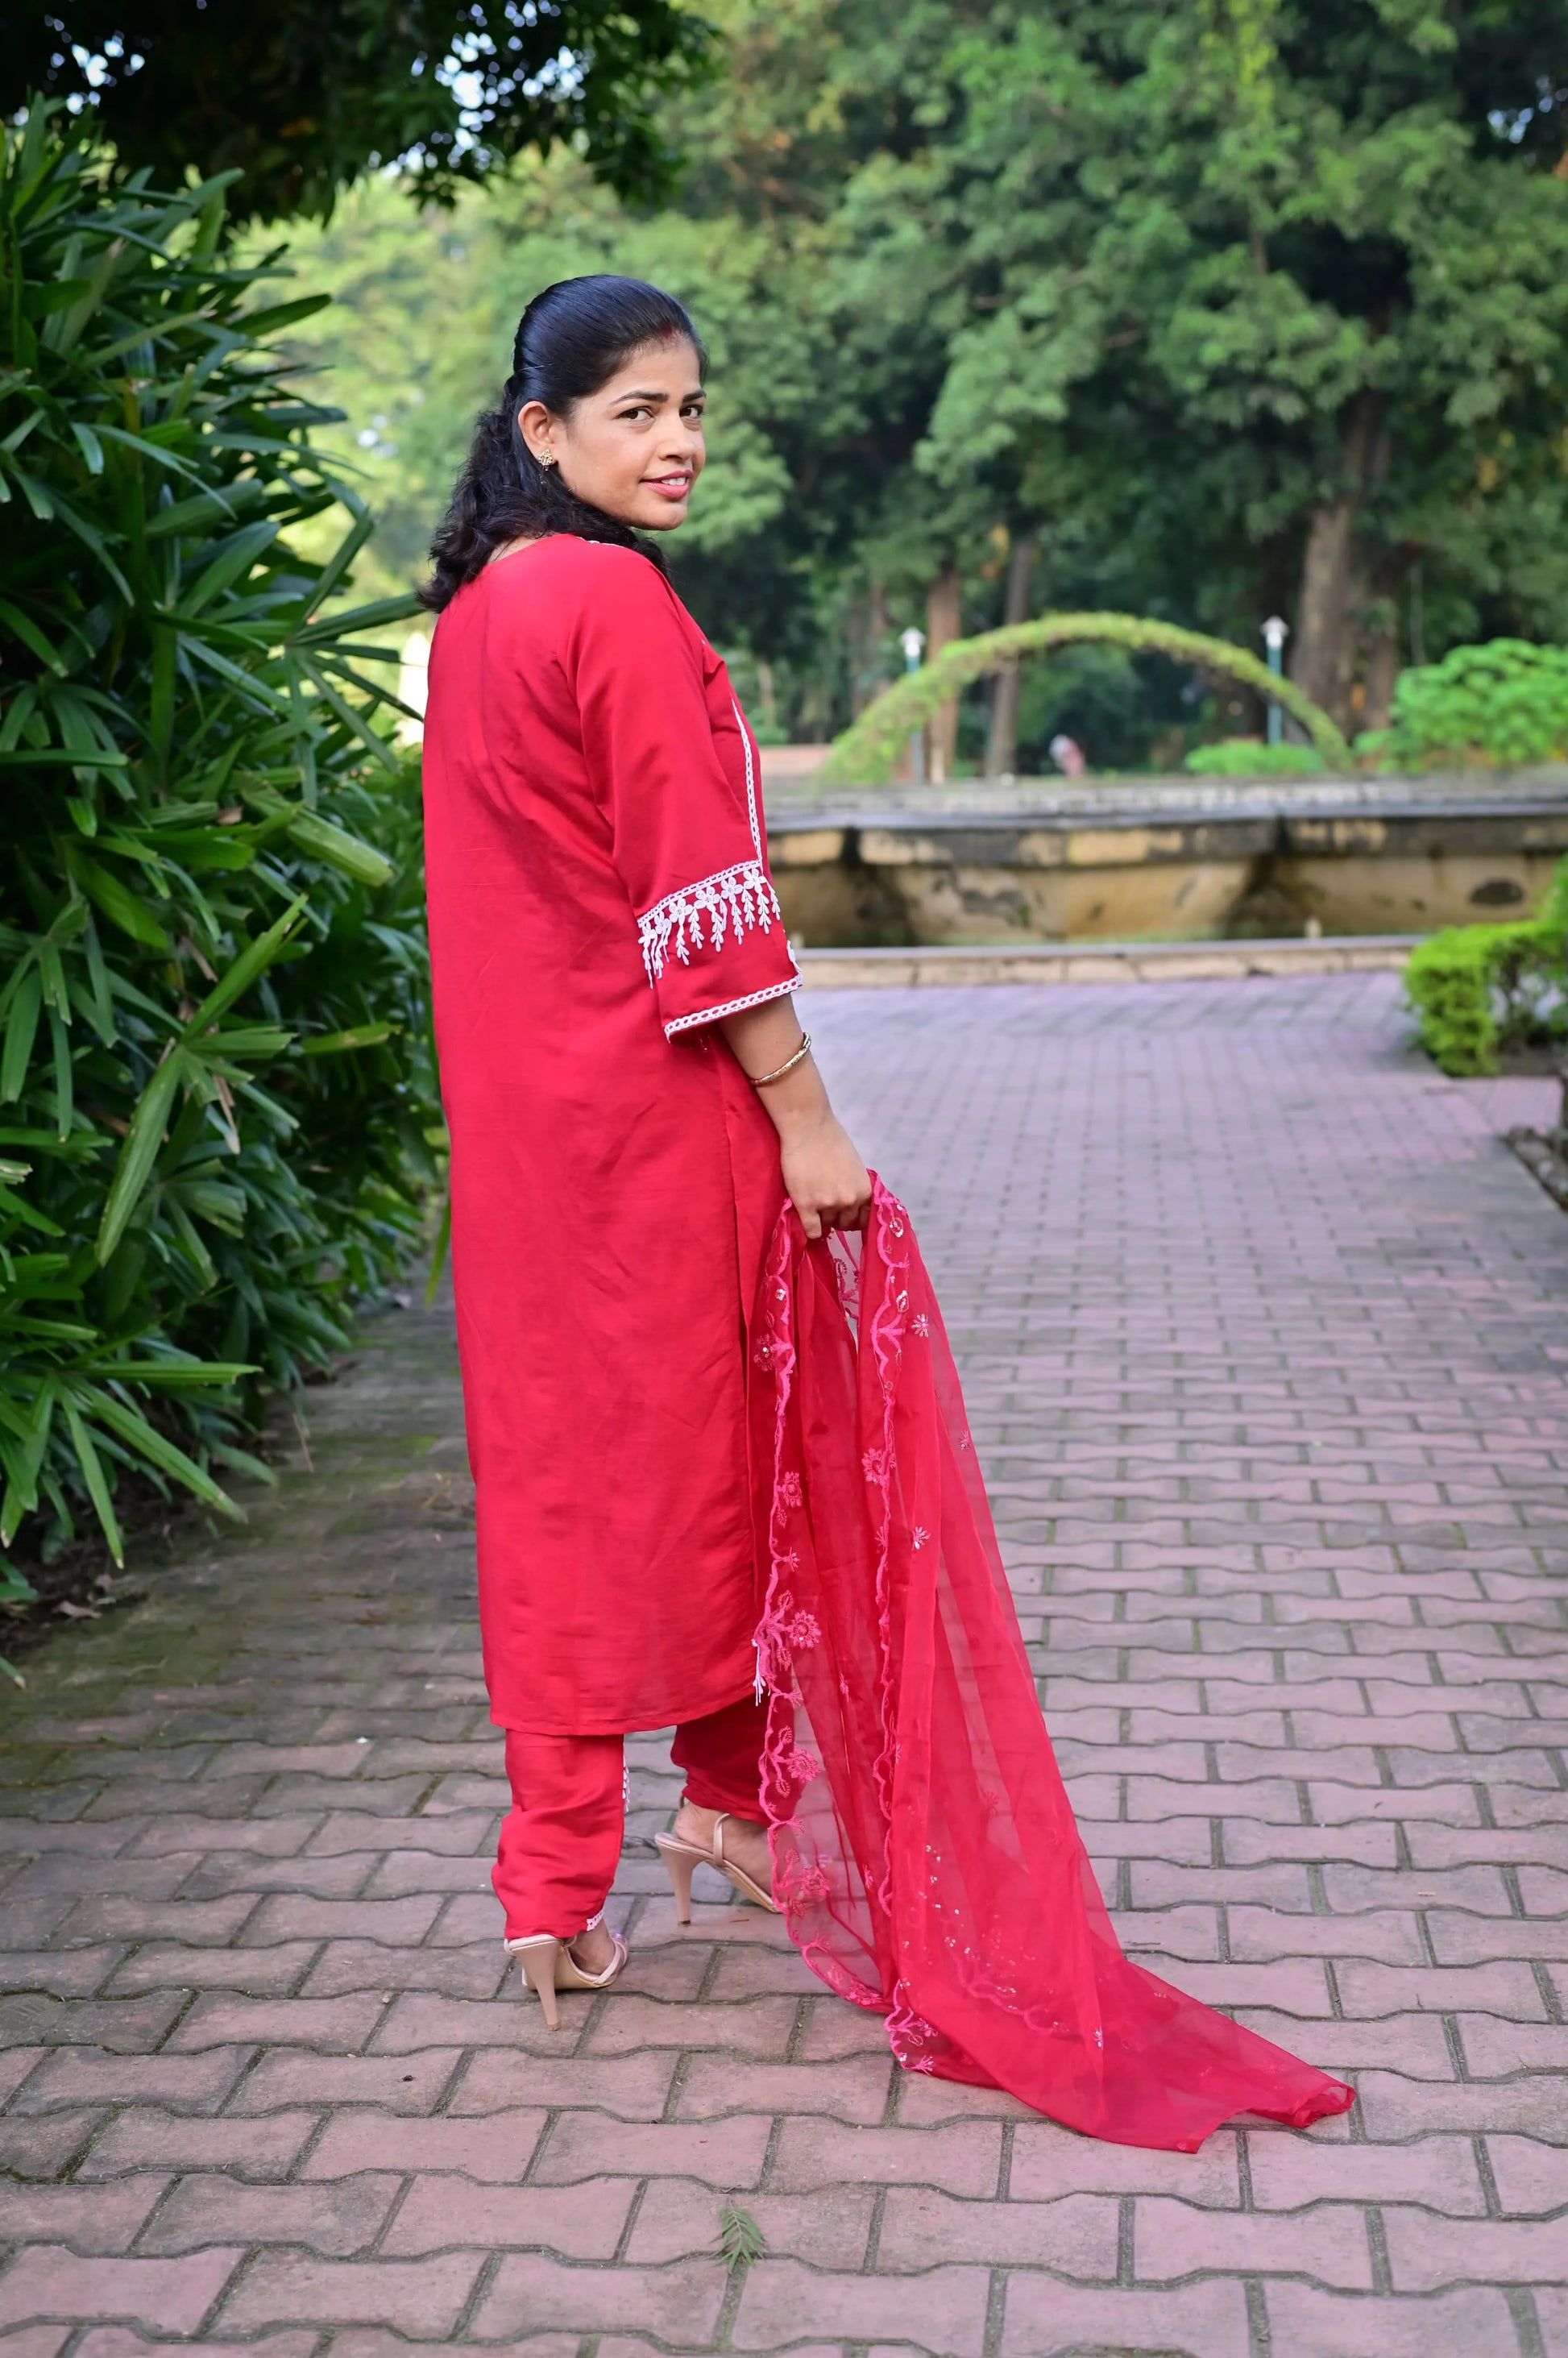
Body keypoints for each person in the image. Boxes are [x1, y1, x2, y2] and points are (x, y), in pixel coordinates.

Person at [419, 276, 872, 2021]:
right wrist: (809, 1117)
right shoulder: (611, 602)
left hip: (529, 1146)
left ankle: (552, 1889)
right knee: (729, 1456)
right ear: (544, 432)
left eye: (691, 409)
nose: (678, 442)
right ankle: (734, 1805)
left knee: (561, 1484)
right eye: (638, 413)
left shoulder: (477, 612)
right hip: (659, 1125)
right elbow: (705, 899)